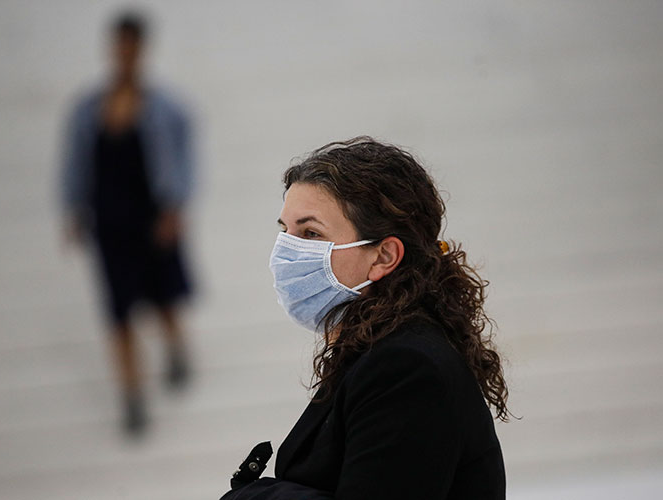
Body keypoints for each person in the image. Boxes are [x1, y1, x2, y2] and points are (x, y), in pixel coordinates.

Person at [221, 137, 507, 499]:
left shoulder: (406, 367)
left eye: (311, 233)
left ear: (384, 256)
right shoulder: (373, 347)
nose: (286, 252)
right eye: (285, 231)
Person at [59, 12, 195, 435]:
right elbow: (77, 163)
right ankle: (132, 393)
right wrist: (73, 209)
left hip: (149, 217)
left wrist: (174, 208)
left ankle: (176, 350)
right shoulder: (88, 109)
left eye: (130, 46)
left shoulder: (164, 108)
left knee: (162, 297)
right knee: (117, 311)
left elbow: (181, 159)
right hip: (110, 221)